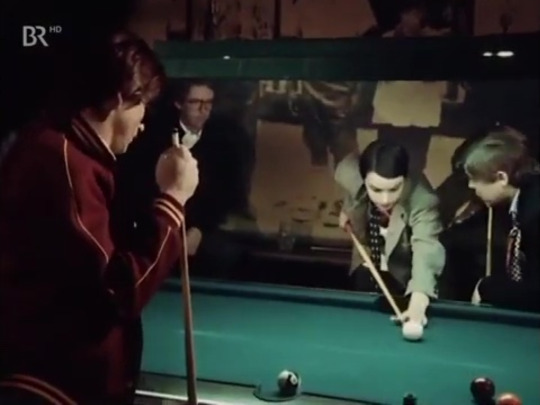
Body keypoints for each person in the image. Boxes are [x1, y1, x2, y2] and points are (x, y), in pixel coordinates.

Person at [0, 31, 199, 404]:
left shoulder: (69, 153)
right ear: (120, 98)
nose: (143, 123)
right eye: (142, 105)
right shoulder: (61, 161)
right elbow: (121, 289)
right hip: (52, 389)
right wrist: (174, 197)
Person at [116, 78, 250, 279]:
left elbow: (226, 195)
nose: (203, 110)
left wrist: (201, 230)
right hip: (155, 232)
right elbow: (136, 189)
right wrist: (161, 228)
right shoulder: (152, 138)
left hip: (200, 237)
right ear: (179, 104)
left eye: (208, 103)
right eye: (195, 102)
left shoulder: (223, 143)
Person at [335, 140, 445, 325]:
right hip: (366, 268)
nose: (385, 199)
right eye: (376, 189)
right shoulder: (350, 175)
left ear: (405, 179)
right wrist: (347, 209)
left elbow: (426, 248)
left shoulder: (423, 201)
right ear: (364, 180)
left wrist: (418, 304)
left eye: (394, 189)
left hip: (404, 279)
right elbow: (353, 188)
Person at [465, 127, 540, 312]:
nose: (471, 185)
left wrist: (488, 288)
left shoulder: (535, 215)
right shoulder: (524, 203)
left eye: (475, 178)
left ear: (501, 178)